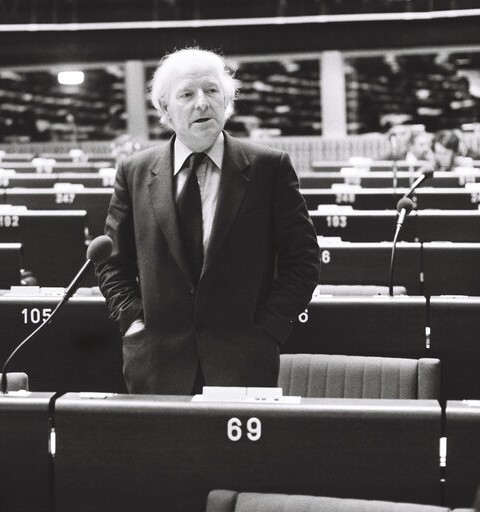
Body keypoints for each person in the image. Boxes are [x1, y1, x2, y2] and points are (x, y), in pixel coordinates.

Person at [95, 47, 320, 395]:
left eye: (212, 91)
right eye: (187, 94)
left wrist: (269, 329)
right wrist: (133, 321)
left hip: (244, 360)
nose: (202, 102)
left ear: (226, 101)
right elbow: (112, 263)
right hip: (156, 362)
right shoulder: (134, 171)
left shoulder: (268, 167)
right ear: (165, 109)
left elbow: (303, 261)